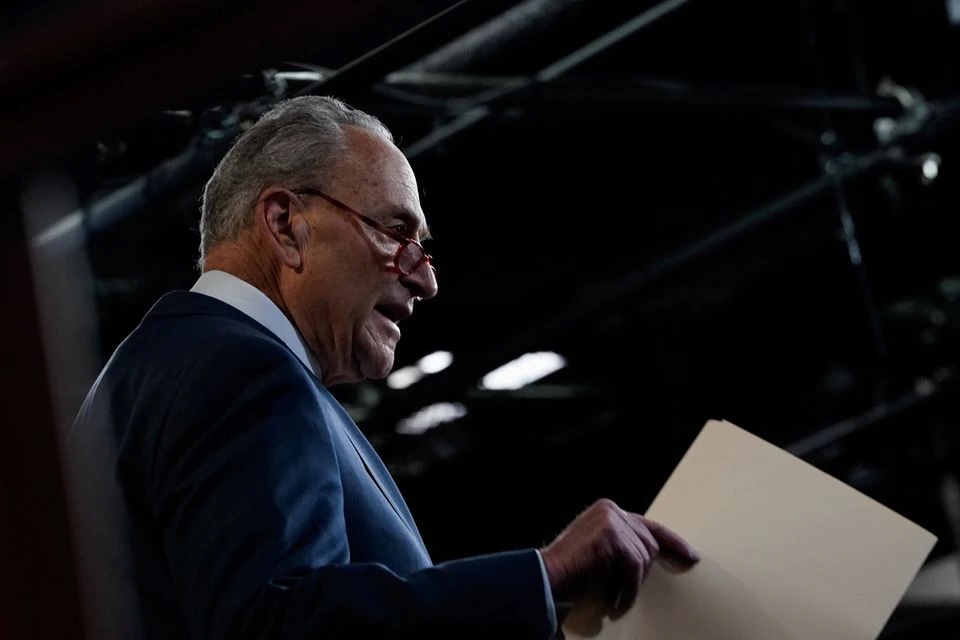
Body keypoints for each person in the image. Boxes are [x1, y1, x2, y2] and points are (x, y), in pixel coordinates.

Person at [67, 95, 699, 640]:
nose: (424, 277)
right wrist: (546, 575)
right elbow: (279, 626)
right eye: (397, 233)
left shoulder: (157, 368)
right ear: (286, 226)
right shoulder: (243, 371)